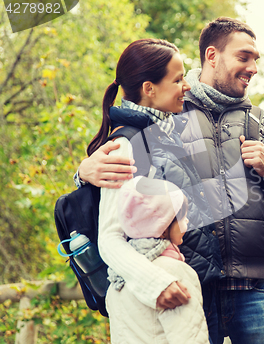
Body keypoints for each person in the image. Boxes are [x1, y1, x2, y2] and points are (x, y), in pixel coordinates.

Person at [75, 18, 264, 344]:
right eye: (244, 57)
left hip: (257, 288)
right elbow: (123, 197)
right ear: (212, 56)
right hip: (193, 282)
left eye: (257, 59)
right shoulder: (168, 116)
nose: (254, 68)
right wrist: (83, 172)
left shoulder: (262, 123)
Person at [89, 38, 223, 343]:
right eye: (177, 79)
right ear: (149, 89)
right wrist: (156, 284)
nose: (186, 86)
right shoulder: (126, 144)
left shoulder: (165, 134)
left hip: (188, 291)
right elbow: (110, 238)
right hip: (160, 304)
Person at [106, 177, 209, 344]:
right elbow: (191, 338)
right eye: (182, 217)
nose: (187, 221)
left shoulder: (117, 278)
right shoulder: (173, 273)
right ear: (162, 227)